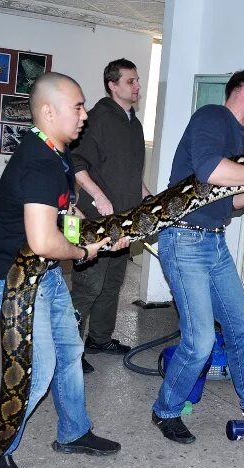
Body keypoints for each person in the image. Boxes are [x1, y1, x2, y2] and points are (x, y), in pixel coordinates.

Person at [0, 72, 121, 468]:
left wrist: (90, 233)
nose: (84, 116)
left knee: (68, 351)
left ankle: (74, 431)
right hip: (16, 283)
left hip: (44, 277)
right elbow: (43, 241)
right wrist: (84, 253)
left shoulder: (54, 151)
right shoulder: (41, 162)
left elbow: (63, 216)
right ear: (48, 112)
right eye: (77, 107)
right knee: (37, 369)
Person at [151, 70, 244, 444]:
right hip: (184, 238)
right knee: (200, 340)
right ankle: (166, 410)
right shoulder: (211, 117)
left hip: (214, 242)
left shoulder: (240, 138)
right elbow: (209, 169)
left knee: (241, 327)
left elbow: (231, 201)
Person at [70, 58, 151, 373]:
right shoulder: (97, 118)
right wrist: (99, 197)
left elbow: (129, 171)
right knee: (89, 285)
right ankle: (71, 350)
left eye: (137, 81)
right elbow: (76, 163)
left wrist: (146, 194)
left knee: (113, 281)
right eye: (130, 81)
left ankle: (99, 338)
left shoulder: (134, 123)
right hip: (95, 220)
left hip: (125, 221)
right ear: (112, 85)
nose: (137, 86)